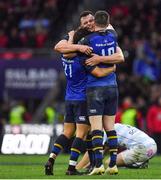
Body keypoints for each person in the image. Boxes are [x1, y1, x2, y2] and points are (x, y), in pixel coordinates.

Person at [44, 21, 117, 176]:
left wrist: (71, 38)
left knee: (67, 132)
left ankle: (51, 158)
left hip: (69, 98)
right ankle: (72, 167)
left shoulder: (66, 55)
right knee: (82, 135)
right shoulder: (81, 57)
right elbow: (98, 73)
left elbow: (64, 47)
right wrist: (112, 67)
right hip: (82, 98)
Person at [79, 10, 124, 175]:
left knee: (96, 128)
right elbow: (119, 56)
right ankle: (113, 164)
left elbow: (96, 72)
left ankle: (98, 164)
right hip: (113, 87)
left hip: (95, 88)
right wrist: (112, 66)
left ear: (94, 22)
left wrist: (98, 58)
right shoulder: (113, 35)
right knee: (110, 128)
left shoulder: (87, 41)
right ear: (108, 21)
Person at [76, 123, 157, 170]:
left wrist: (78, 167)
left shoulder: (102, 131)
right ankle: (140, 162)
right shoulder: (113, 126)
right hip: (152, 145)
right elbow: (101, 154)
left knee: (108, 163)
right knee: (110, 162)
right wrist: (89, 166)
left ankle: (137, 164)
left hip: (143, 148)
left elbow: (93, 151)